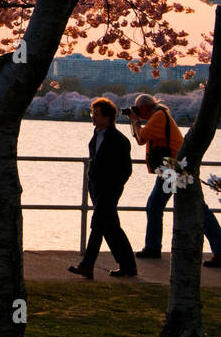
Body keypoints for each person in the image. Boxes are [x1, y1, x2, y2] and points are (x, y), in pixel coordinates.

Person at [129, 94, 221, 266]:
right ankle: (219, 248)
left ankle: (153, 247)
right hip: (172, 167)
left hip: (172, 169)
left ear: (144, 107)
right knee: (197, 207)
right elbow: (142, 140)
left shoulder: (158, 117)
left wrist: (135, 121)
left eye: (137, 108)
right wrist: (135, 122)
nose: (136, 112)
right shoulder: (160, 115)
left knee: (158, 205)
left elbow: (142, 137)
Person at [69, 98, 136, 279]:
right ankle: (128, 266)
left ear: (108, 117)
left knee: (97, 225)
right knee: (111, 227)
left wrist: (114, 186)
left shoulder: (118, 140)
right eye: (92, 114)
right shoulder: (96, 136)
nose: (93, 117)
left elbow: (126, 169)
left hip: (110, 189)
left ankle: (87, 265)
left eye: (96, 115)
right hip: (96, 189)